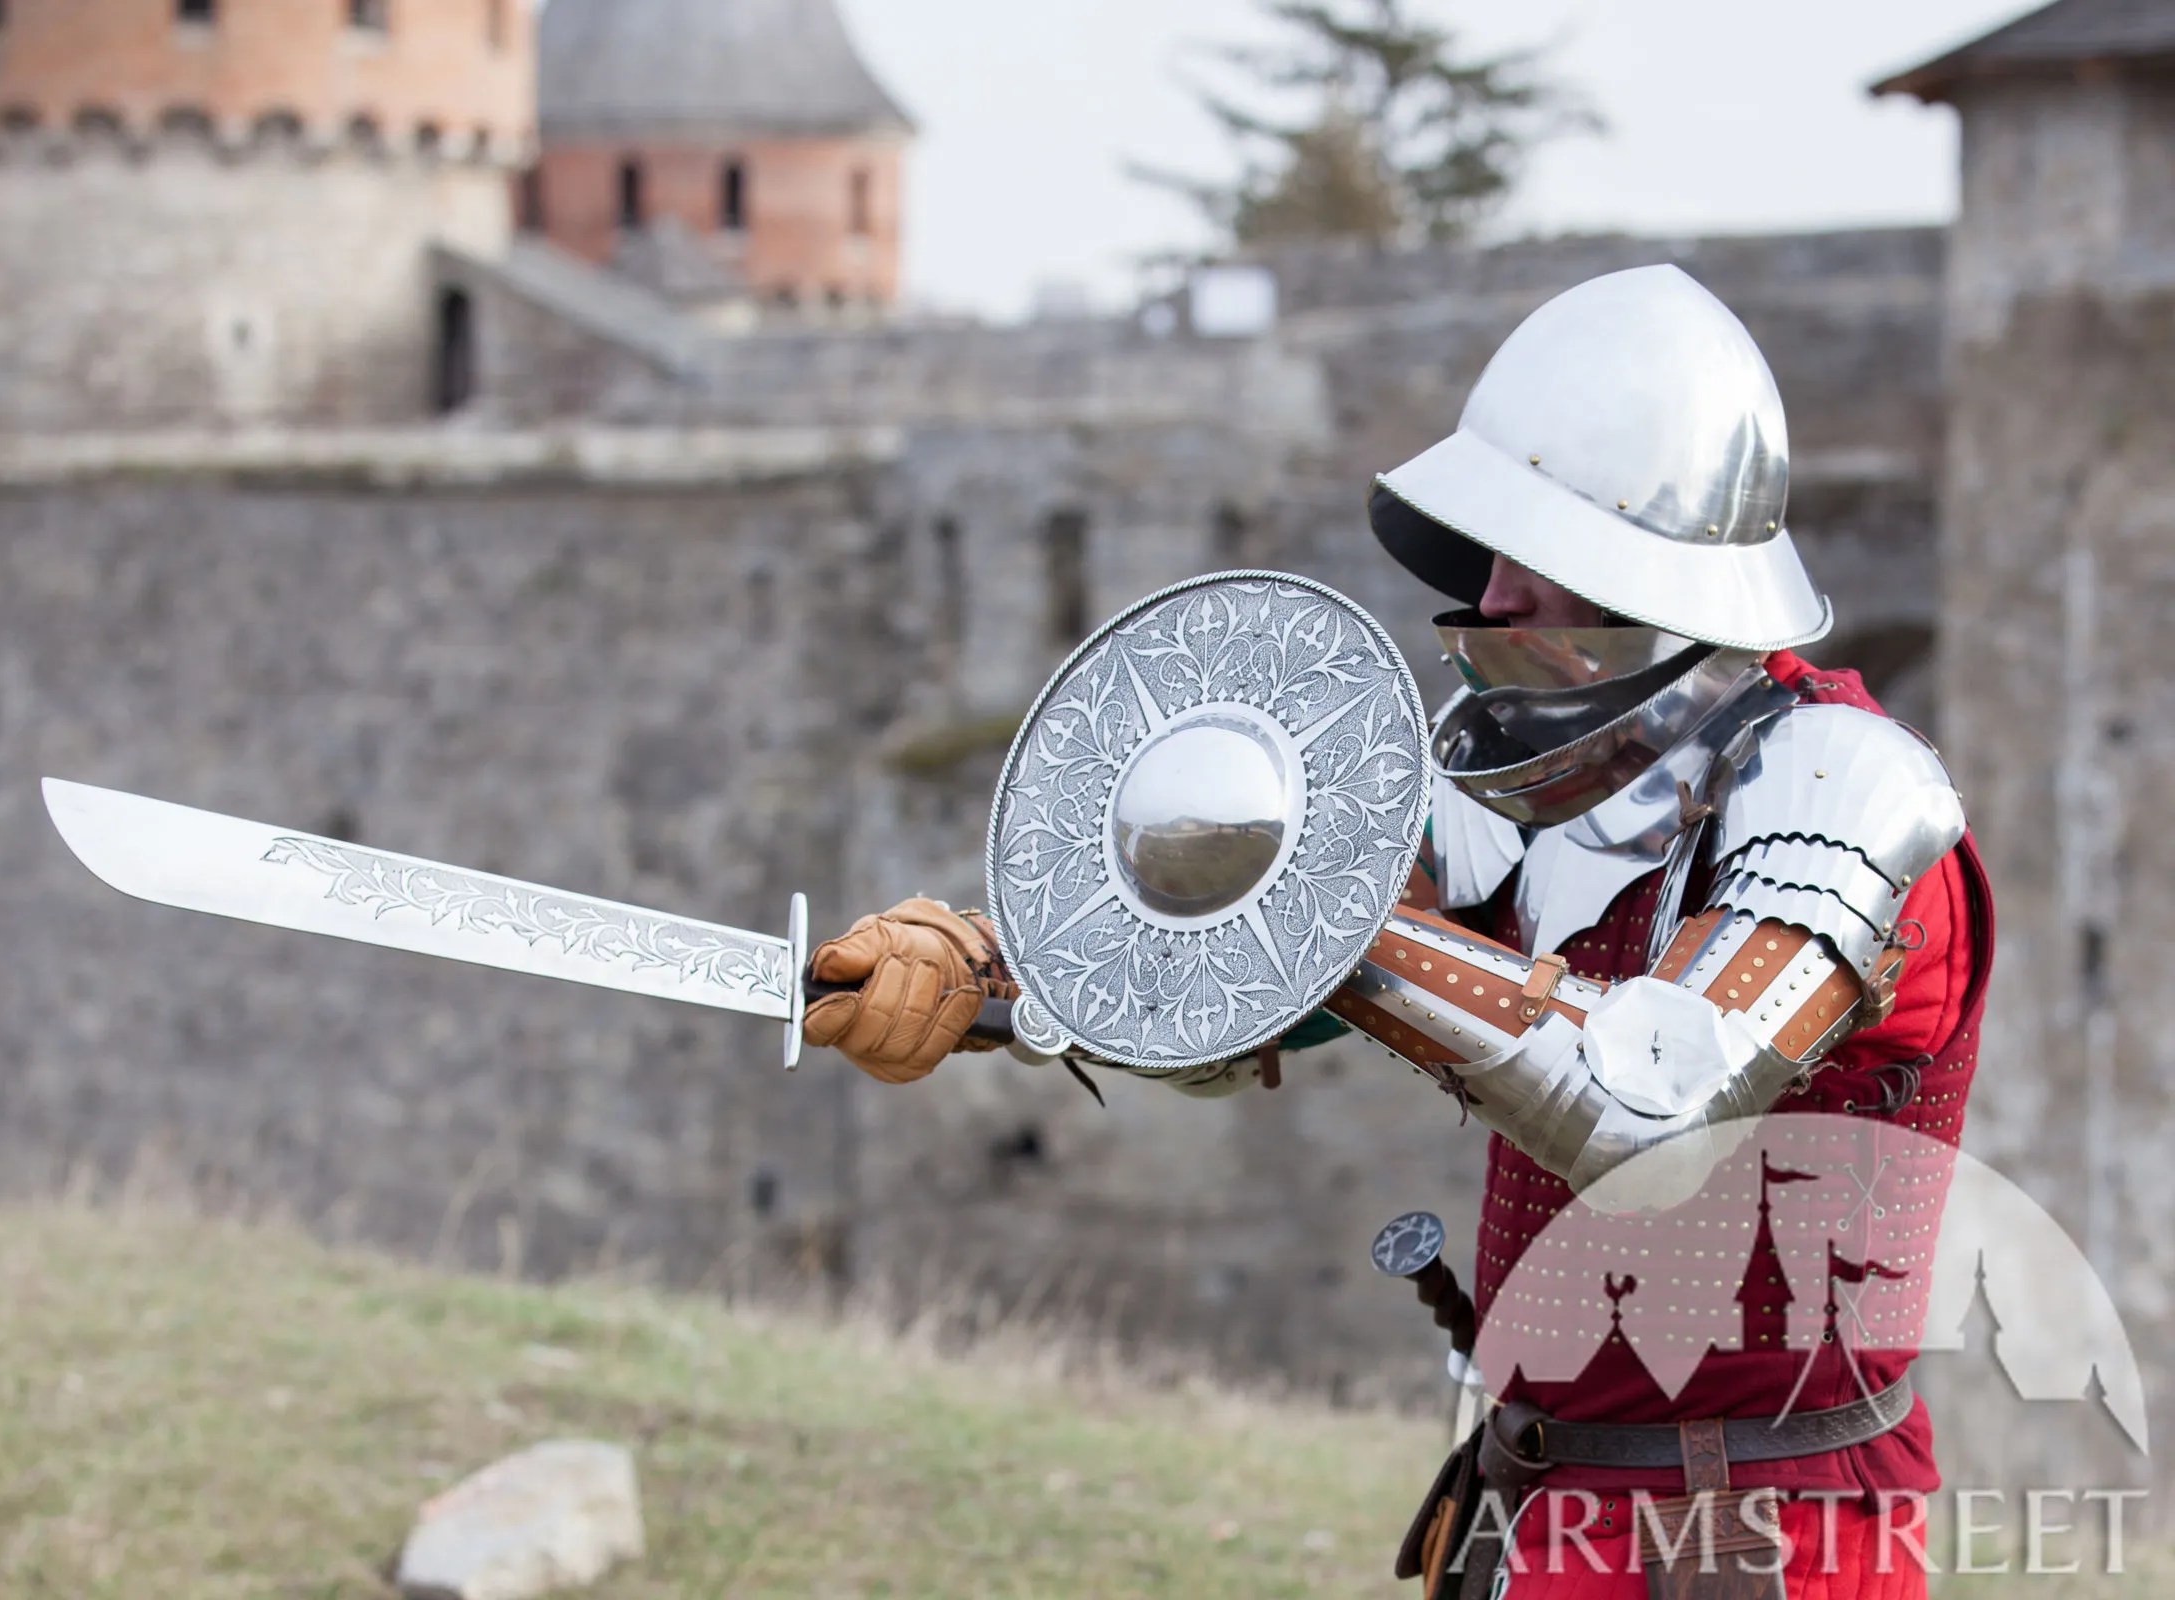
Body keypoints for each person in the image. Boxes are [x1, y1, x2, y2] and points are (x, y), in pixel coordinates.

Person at [802, 265, 1987, 1600]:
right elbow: (1250, 969)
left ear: (1638, 566)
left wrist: (1345, 927)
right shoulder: (1548, 790)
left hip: (1761, 1536)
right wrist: (985, 978)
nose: (1490, 591)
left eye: (1531, 553)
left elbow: (1658, 1110)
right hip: (1543, 1501)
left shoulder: (1848, 795)